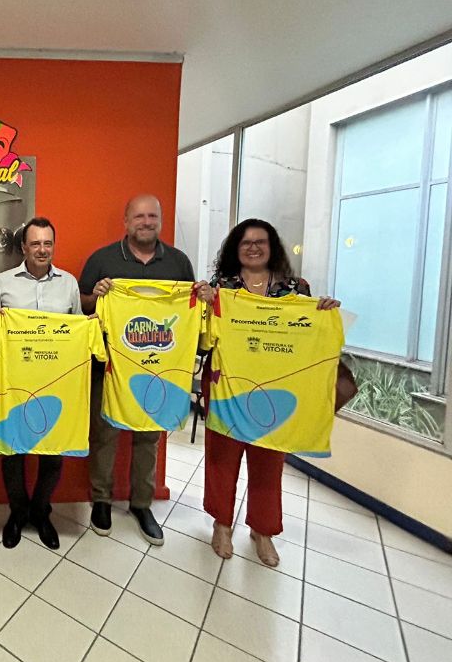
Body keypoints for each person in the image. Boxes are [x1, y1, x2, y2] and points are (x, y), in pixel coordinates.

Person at [195, 219, 339, 567]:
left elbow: (310, 335)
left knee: (269, 461)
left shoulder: (296, 288)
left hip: (275, 391)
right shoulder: (221, 287)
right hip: (226, 386)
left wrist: (324, 311)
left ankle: (263, 530)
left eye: (260, 242)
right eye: (246, 242)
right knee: (221, 458)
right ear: (236, 249)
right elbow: (201, 340)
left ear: (272, 247)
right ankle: (221, 524)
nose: (253, 248)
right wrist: (204, 304)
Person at [79, 194, 195, 545]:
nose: (146, 222)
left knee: (149, 437)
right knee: (104, 434)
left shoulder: (178, 262)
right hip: (109, 367)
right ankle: (101, 500)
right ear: (126, 221)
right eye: (139, 216)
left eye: (152, 217)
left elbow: (190, 309)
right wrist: (96, 296)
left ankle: (142, 504)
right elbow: (80, 306)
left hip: (159, 369)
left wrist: (203, 297)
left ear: (160, 220)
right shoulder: (102, 259)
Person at [0, 217, 82, 550]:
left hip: (57, 384)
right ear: (24, 247)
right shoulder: (3, 282)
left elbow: (77, 332)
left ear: (53, 246)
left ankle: (41, 511)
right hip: (14, 384)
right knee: (12, 451)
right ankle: (18, 512)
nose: (42, 249)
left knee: (53, 454)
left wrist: (89, 327)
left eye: (47, 243)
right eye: (35, 243)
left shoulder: (69, 284)